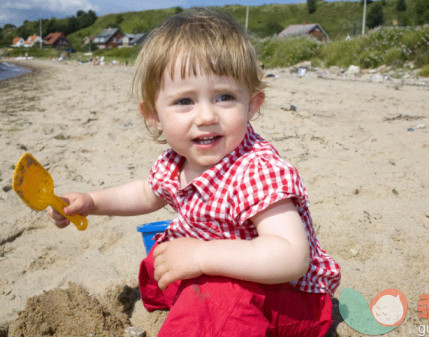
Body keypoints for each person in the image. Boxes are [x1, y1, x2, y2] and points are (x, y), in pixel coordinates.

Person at [48, 8, 340, 337]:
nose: (205, 116)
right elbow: (146, 194)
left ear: (252, 104)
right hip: (227, 273)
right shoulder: (176, 161)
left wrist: (201, 255)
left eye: (224, 97)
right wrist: (91, 202)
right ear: (153, 115)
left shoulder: (256, 170)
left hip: (286, 295)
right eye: (185, 101)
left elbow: (290, 256)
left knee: (215, 301)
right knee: (158, 260)